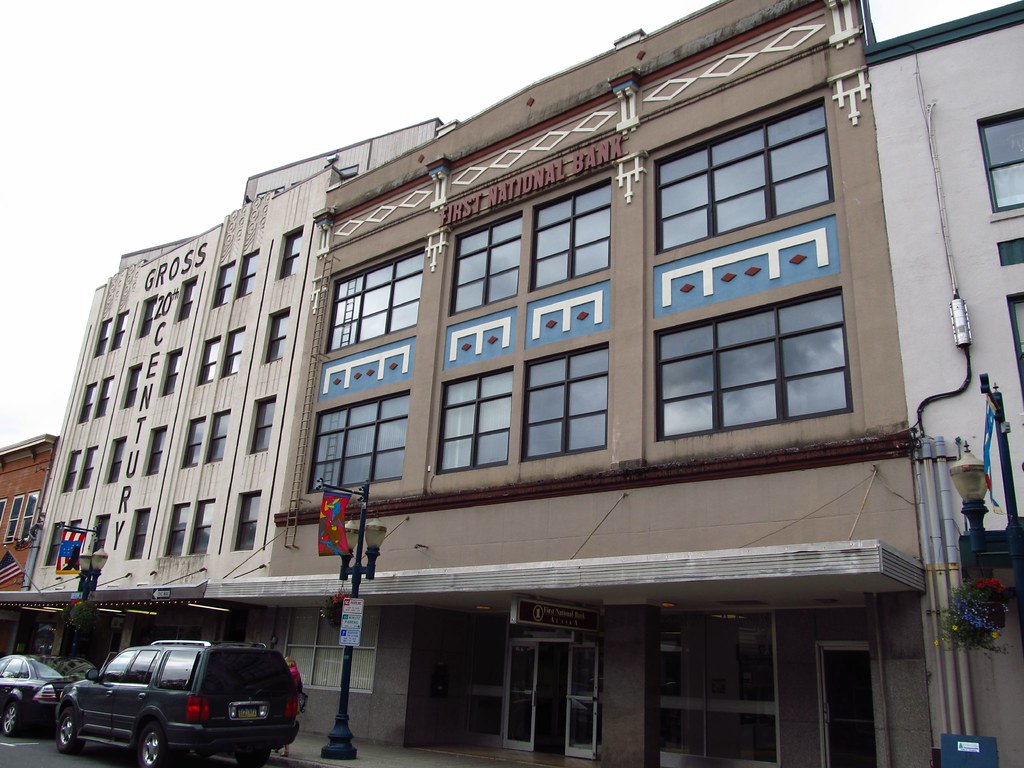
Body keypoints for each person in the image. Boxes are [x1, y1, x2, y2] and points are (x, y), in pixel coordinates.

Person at [282, 656, 303, 757]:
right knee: (289, 722)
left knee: (284, 722)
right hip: (293, 700)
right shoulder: (297, 673)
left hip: (286, 700)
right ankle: (285, 747)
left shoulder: (287, 673)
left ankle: (285, 749)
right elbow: (300, 687)